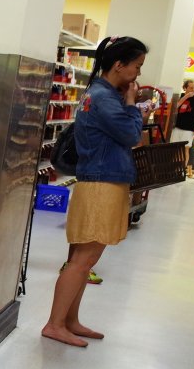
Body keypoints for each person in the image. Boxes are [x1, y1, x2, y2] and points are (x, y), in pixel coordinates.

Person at [42, 36, 149, 348]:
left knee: (82, 259)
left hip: (98, 180)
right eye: (137, 66)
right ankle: (54, 324)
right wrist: (131, 103)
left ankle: (69, 320)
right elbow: (131, 135)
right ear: (119, 65)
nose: (138, 74)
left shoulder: (98, 93)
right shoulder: (105, 98)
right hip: (103, 184)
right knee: (83, 259)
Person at [172, 79, 194, 178]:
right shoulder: (181, 96)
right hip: (177, 127)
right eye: (191, 87)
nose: (193, 89)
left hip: (189, 128)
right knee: (175, 149)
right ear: (185, 88)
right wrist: (186, 96)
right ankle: (174, 170)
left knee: (185, 149)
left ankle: (181, 171)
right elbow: (176, 106)